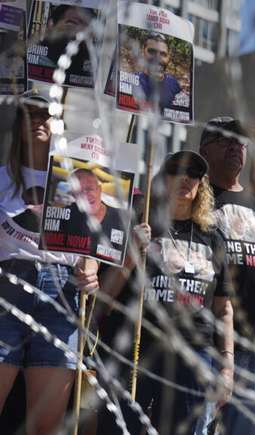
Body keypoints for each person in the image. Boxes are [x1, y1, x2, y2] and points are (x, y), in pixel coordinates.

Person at [99, 151, 234, 435]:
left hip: (193, 352)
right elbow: (106, 298)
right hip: (140, 346)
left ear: (201, 185)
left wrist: (227, 365)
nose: (186, 178)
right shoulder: (138, 223)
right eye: (176, 171)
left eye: (194, 174)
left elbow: (224, 307)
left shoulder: (213, 237)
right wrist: (132, 254)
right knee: (121, 428)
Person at [0, 90, 99, 435]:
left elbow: (94, 243)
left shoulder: (79, 182)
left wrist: (93, 268)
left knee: (46, 426)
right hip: (7, 288)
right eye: (30, 113)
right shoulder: (1, 178)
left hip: (61, 294)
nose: (39, 121)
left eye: (47, 114)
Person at [198, 116, 255, 434]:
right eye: (225, 140)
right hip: (206, 339)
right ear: (205, 151)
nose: (235, 147)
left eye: (240, 142)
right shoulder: (196, 198)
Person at [63, 168, 128, 262]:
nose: (85, 196)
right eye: (79, 192)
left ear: (99, 190)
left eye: (89, 189)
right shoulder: (66, 216)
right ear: (73, 196)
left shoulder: (122, 218)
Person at [30, 5, 95, 71]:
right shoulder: (32, 56)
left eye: (82, 22)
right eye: (70, 22)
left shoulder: (94, 67)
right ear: (51, 25)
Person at [136, 32, 183, 111]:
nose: (158, 59)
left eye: (163, 54)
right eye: (152, 52)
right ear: (142, 52)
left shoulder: (174, 84)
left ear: (168, 57)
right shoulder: (132, 82)